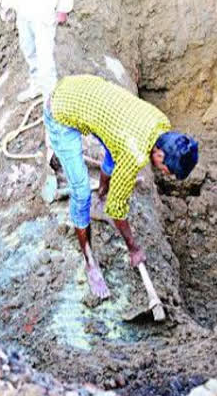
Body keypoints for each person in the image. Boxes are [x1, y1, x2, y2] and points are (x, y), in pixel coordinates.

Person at [43, 75, 199, 298]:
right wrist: (133, 248)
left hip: (83, 88)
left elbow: (116, 149)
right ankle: (90, 262)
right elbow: (117, 210)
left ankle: (102, 193)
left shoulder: (161, 123)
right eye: (169, 170)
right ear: (160, 154)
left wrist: (108, 192)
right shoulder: (134, 154)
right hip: (60, 111)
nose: (167, 174)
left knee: (115, 151)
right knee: (81, 191)